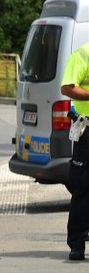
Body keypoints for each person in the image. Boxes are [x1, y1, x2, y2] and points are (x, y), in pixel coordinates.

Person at [59, 43, 89, 261]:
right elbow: (67, 87)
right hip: (87, 130)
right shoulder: (83, 54)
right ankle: (77, 244)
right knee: (82, 188)